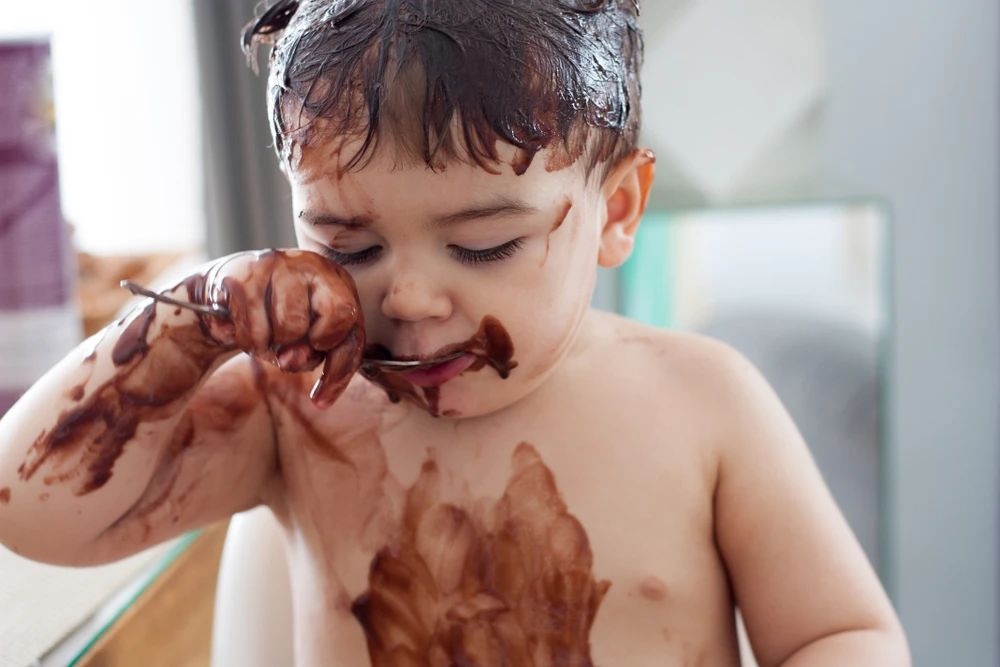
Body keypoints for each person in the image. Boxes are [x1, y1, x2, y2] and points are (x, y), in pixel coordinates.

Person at [0, 1, 910, 664]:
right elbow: (31, 510)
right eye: (346, 245)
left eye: (484, 244)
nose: (413, 298)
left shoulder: (703, 403)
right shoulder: (297, 413)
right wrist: (189, 320)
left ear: (619, 208)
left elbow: (843, 633)